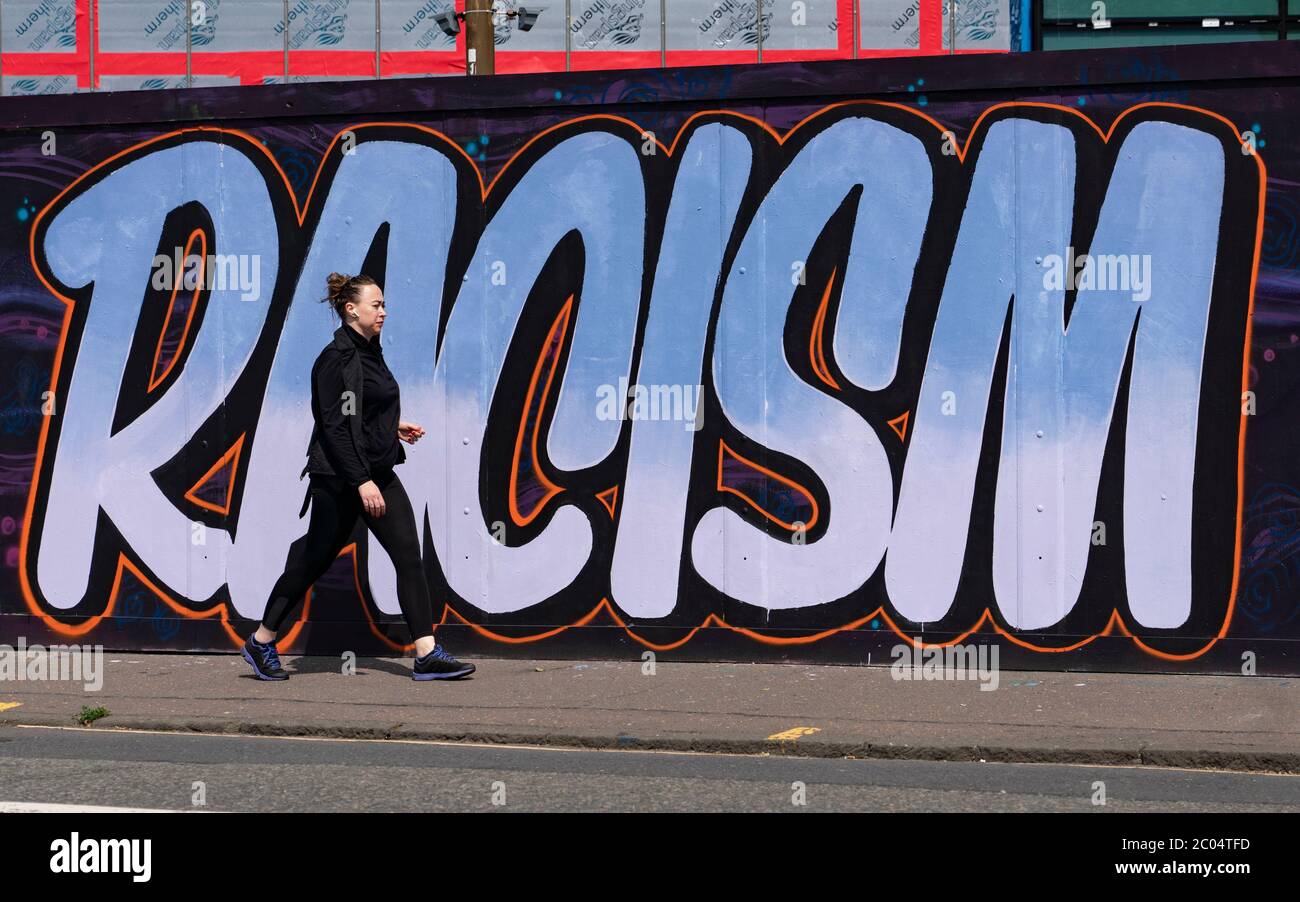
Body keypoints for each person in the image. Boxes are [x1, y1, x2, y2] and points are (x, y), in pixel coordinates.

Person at [240, 272, 475, 682]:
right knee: (313, 561)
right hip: (340, 480)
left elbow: (359, 412)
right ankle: (261, 641)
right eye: (376, 305)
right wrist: (361, 481)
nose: (384, 311)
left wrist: (393, 427)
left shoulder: (370, 351)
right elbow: (333, 428)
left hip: (377, 472)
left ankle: (426, 652)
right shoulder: (336, 359)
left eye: (383, 304)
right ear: (352, 310)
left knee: (408, 557)